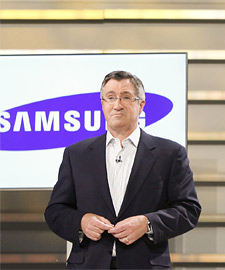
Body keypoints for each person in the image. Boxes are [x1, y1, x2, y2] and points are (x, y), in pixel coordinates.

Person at [45, 71, 201, 269]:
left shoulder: (170, 154)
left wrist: (148, 223)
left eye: (126, 97)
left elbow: (189, 210)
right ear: (102, 104)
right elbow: (55, 211)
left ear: (141, 105)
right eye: (110, 98)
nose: (117, 105)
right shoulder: (76, 154)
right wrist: (81, 222)